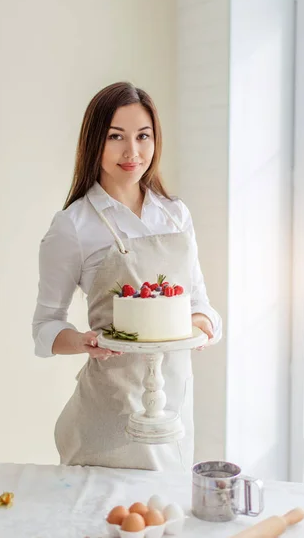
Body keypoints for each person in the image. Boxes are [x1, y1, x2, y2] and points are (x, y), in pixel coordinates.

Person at [32, 81, 222, 472]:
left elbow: (200, 301)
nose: (132, 152)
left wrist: (201, 324)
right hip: (108, 417)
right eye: (116, 136)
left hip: (172, 412)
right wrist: (85, 342)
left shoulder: (175, 214)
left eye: (143, 136)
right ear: (94, 142)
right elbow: (45, 327)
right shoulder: (73, 226)